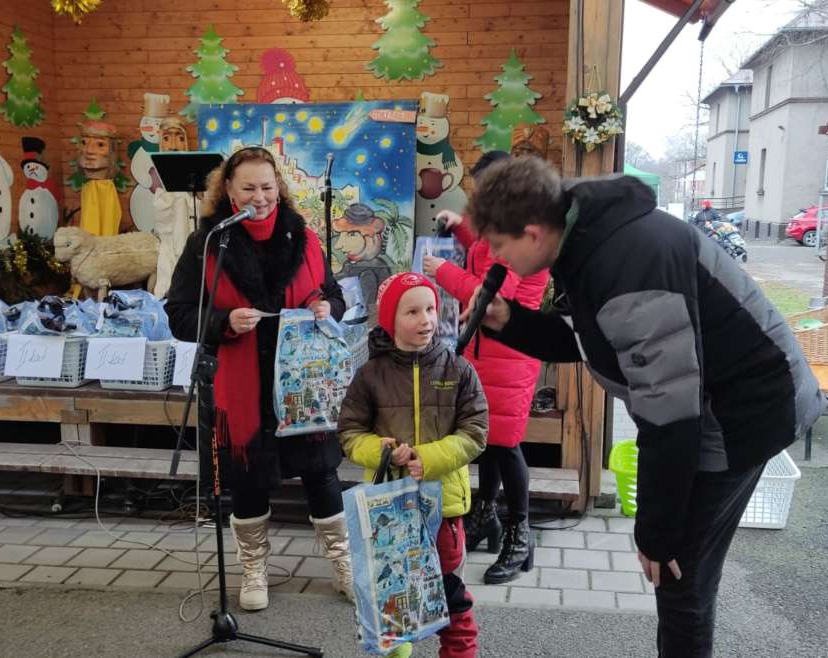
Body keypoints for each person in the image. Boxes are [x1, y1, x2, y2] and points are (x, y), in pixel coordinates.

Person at [462, 156, 824, 657]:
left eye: (497, 246)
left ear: (530, 233)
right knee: (678, 574)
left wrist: (655, 530)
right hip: (709, 404)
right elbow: (591, 339)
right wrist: (512, 322)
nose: (495, 258)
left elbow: (669, 412)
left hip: (743, 411)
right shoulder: (585, 239)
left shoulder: (629, 258)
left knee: (679, 574)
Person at [164, 146, 353, 612]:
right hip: (240, 388)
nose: (260, 196)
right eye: (248, 187)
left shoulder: (304, 239)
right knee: (246, 481)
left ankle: (345, 565)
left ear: (279, 187)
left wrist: (330, 308)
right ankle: (254, 568)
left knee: (322, 476)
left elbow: (332, 295)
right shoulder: (209, 243)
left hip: (302, 385)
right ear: (227, 189)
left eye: (267, 187)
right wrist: (224, 322)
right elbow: (179, 315)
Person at [338, 272, 488, 658]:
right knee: (393, 595)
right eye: (412, 312)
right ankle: (396, 650)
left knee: (450, 593)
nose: (426, 320)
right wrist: (381, 449)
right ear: (390, 321)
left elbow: (476, 431)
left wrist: (432, 457)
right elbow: (350, 432)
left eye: (430, 309)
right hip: (390, 507)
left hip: (446, 506)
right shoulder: (370, 375)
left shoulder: (457, 369)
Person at [422, 150, 548, 584]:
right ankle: (485, 518)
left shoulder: (523, 233)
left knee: (507, 444)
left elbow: (493, 295)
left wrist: (443, 273)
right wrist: (462, 231)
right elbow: (483, 256)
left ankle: (519, 534)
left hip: (511, 350)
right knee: (487, 439)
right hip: (481, 347)